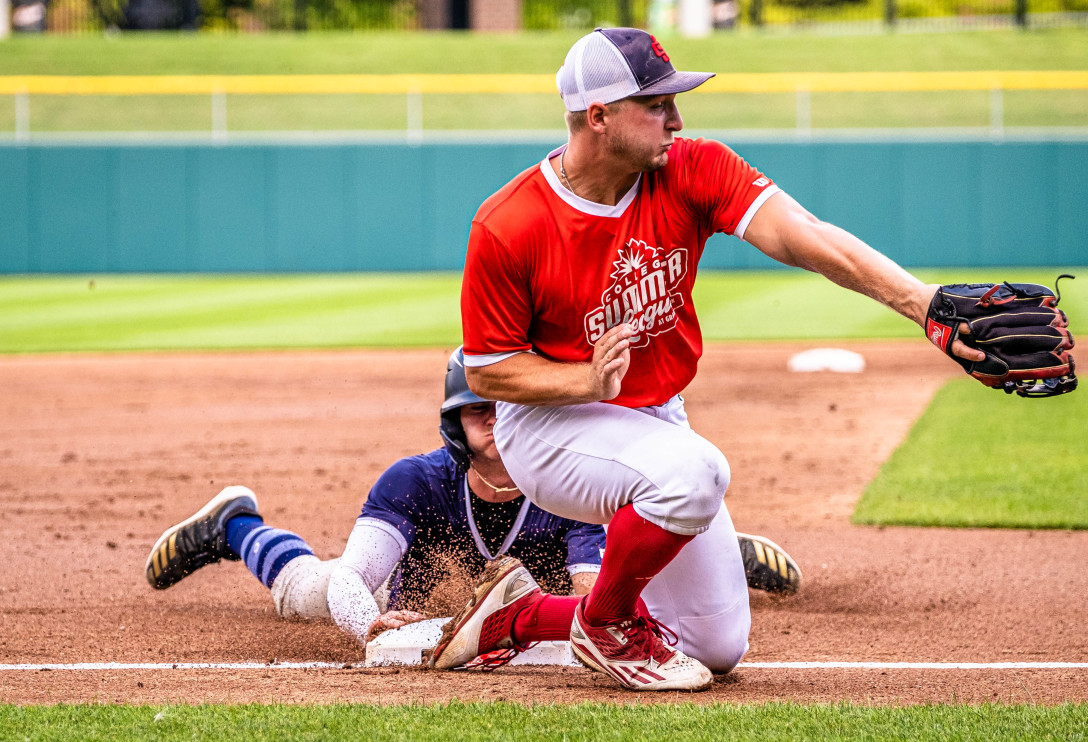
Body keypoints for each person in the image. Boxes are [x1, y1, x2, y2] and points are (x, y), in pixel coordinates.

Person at [428, 28, 986, 691]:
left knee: (716, 646)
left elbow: (802, 233)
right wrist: (584, 378)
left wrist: (921, 304)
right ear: (599, 117)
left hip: (653, 418)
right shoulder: (510, 223)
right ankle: (606, 626)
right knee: (696, 473)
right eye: (657, 104)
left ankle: (518, 618)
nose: (677, 119)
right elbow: (489, 371)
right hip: (547, 428)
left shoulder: (691, 168)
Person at [145, 348, 800, 647]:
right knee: (308, 595)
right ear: (451, 421)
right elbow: (353, 579)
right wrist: (362, 622)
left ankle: (694, 543)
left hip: (530, 606)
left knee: (634, 591)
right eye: (473, 409)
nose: (490, 419)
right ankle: (235, 523)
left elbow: (591, 591)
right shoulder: (415, 480)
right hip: (402, 612)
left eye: (502, 405)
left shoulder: (569, 480)